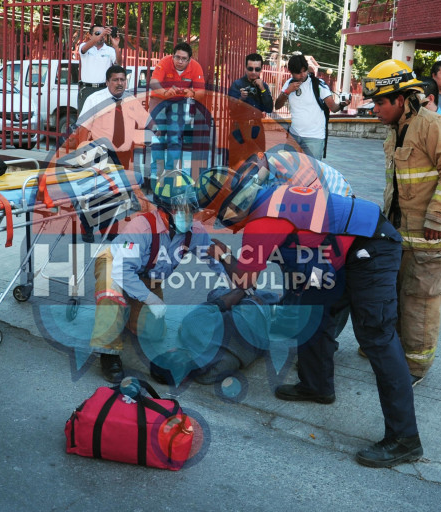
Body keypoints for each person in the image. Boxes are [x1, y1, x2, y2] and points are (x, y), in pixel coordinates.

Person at [198, 161, 422, 468]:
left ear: (231, 207)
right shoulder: (269, 197)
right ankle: (317, 386)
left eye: (216, 216)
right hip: (340, 253)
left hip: (371, 247)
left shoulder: (262, 222)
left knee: (377, 338)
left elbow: (245, 282)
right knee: (312, 311)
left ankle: (405, 439)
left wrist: (222, 254)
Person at [365, 59, 441, 385]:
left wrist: (437, 217)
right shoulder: (397, 132)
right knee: (397, 295)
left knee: (420, 303)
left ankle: (413, 369)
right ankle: (394, 350)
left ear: (401, 99)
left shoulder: (434, 126)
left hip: (431, 239)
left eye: (381, 102)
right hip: (402, 236)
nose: (377, 109)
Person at [89, 170, 225, 382]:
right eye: (182, 208)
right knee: (112, 295)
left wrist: (234, 280)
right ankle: (108, 353)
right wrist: (150, 298)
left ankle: (122, 316)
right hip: (116, 265)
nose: (188, 213)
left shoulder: (194, 231)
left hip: (147, 277)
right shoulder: (141, 227)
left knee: (152, 332)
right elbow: (123, 271)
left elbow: (213, 259)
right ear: (164, 209)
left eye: (191, 207)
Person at [73, 65, 151, 170]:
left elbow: (146, 122)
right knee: (100, 184)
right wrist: (82, 154)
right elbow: (83, 128)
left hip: (124, 155)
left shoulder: (131, 100)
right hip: (100, 154)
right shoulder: (94, 100)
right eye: (115, 80)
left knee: (120, 185)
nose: (119, 83)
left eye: (122, 80)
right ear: (107, 82)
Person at [148, 42, 206, 178]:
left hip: (179, 102)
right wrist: (165, 92)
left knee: (175, 137)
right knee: (158, 136)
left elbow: (201, 92)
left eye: (183, 59)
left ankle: (170, 172)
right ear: (172, 56)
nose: (179, 61)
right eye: (177, 57)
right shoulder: (164, 62)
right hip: (159, 100)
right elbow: (153, 82)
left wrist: (190, 92)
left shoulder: (196, 67)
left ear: (189, 59)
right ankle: (156, 172)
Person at [274, 54, 346, 160]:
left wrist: (342, 104)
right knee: (288, 171)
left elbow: (334, 108)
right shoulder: (289, 84)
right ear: (291, 73)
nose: (302, 75)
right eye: (298, 73)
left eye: (304, 71)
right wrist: (287, 91)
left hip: (314, 138)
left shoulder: (318, 84)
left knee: (312, 173)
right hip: (294, 136)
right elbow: (277, 106)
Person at [227, 53, 273, 169]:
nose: (253, 72)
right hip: (239, 128)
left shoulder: (263, 86)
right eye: (250, 68)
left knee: (259, 165)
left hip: (256, 128)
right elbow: (230, 108)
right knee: (236, 164)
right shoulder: (237, 84)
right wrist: (240, 98)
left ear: (261, 69)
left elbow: (269, 108)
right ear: (245, 68)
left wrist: (262, 89)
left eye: (257, 69)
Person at [77, 24, 120, 112]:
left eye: (104, 33)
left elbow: (118, 64)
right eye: (97, 33)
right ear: (90, 35)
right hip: (87, 89)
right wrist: (102, 34)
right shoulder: (84, 46)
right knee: (85, 121)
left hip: (103, 89)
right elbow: (83, 49)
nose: (102, 35)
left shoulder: (110, 50)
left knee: (103, 120)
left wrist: (116, 47)